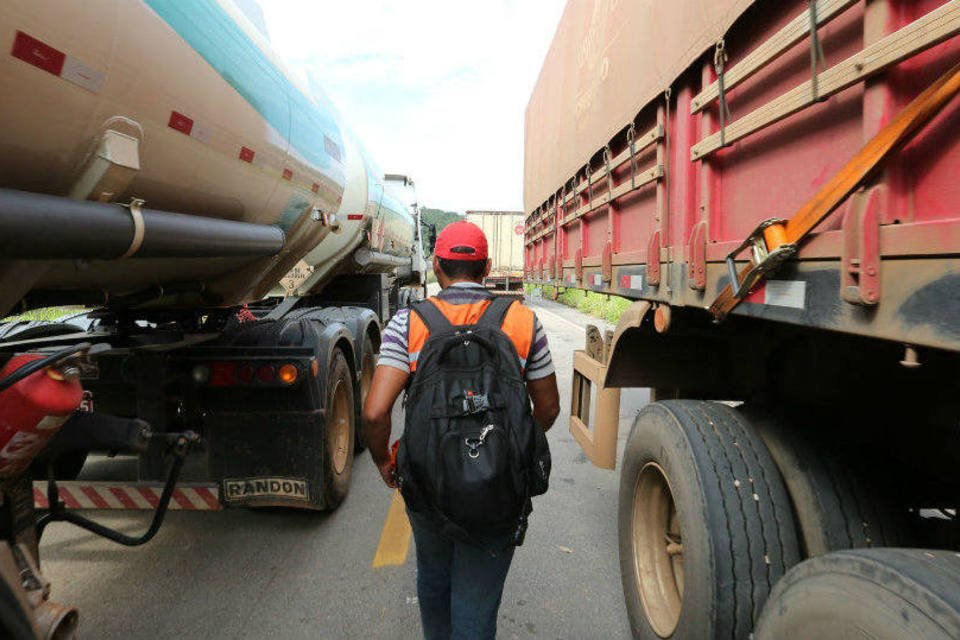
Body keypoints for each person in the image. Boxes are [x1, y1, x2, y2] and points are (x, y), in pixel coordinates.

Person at [362, 220, 560, 640]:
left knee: (434, 577)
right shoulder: (523, 322)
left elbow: (376, 413)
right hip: (499, 489)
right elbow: (548, 406)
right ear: (487, 268)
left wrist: (384, 460)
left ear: (436, 266)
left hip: (427, 482)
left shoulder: (408, 322)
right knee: (476, 602)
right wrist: (513, 447)